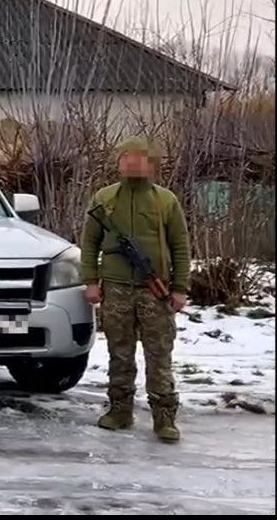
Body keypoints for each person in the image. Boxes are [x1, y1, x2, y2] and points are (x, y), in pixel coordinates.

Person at [80, 136, 191, 443]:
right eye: (126, 157)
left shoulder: (164, 201)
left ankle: (164, 417)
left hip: (154, 289)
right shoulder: (104, 199)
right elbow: (89, 244)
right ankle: (119, 410)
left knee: (159, 355)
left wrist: (180, 287)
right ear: (118, 163)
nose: (132, 162)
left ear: (150, 164)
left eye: (139, 158)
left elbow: (181, 246)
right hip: (115, 290)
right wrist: (90, 280)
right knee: (120, 353)